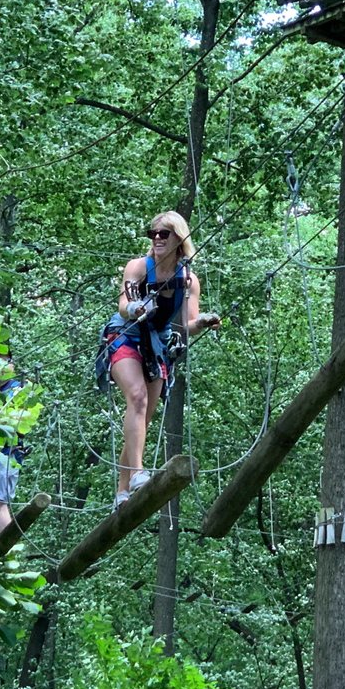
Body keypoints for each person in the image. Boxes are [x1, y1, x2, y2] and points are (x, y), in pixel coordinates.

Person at [96, 211, 220, 508]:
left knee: (144, 417)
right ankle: (137, 473)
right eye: (153, 234)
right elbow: (124, 302)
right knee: (136, 398)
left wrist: (202, 322)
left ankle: (122, 491)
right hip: (126, 334)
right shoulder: (138, 267)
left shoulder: (188, 280)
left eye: (164, 233)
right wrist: (135, 309)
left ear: (179, 237)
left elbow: (186, 324)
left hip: (158, 342)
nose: (157, 239)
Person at [0, 370, 29, 538]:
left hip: (7, 454)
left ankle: (4, 550)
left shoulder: (19, 389)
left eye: (4, 362)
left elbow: (22, 423)